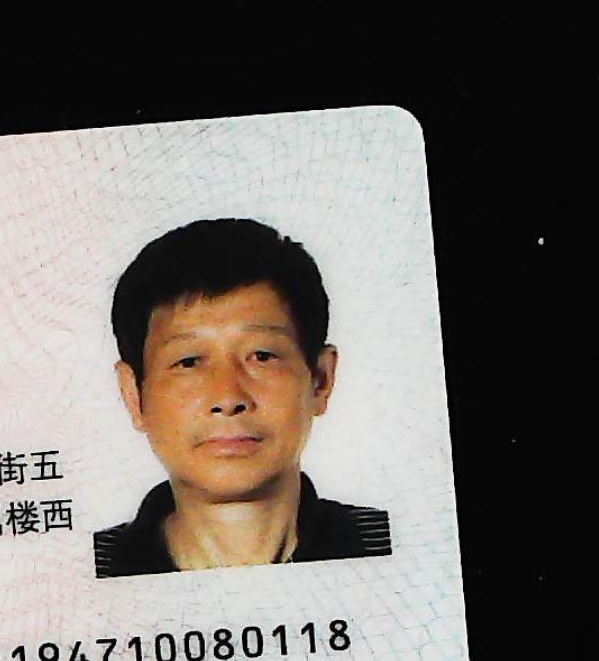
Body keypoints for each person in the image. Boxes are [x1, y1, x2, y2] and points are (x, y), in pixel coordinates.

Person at [93, 217, 393, 576]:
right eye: (189, 362)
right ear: (133, 395)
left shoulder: (399, 547)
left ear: (320, 380)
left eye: (262, 356)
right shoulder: (77, 572)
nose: (228, 397)